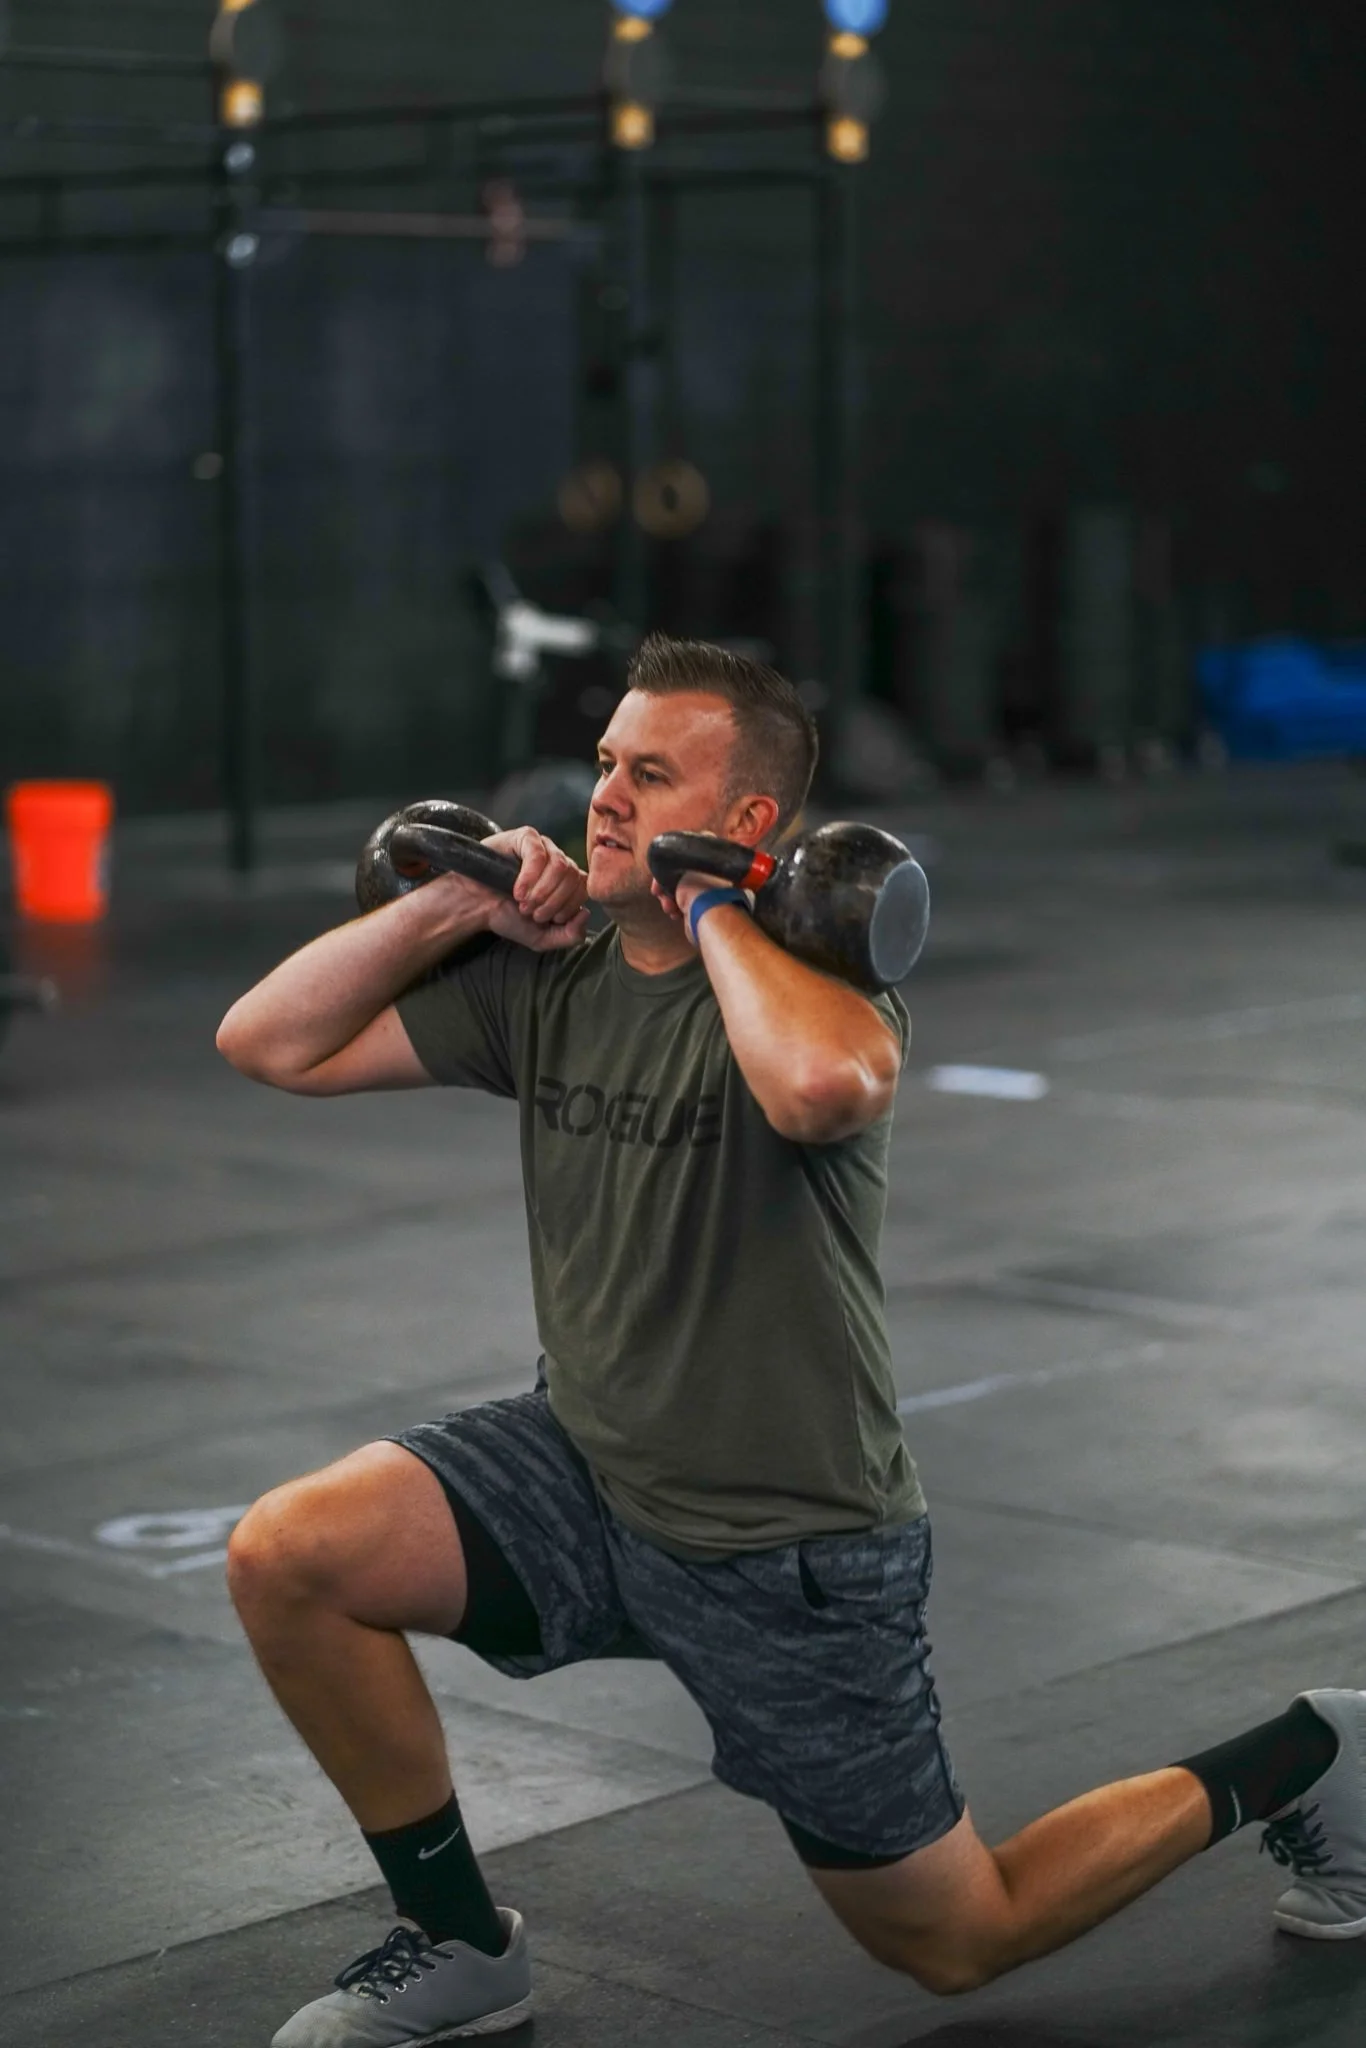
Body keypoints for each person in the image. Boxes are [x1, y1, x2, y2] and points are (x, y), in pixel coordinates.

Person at [218, 635, 1366, 2048]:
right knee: (290, 1555)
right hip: (584, 1466)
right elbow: (268, 1043)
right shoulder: (552, 984)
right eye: (602, 768)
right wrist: (450, 902)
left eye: (651, 775)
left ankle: (1313, 1754)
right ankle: (456, 1942)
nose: (605, 800)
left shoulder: (818, 996)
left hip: (789, 1543)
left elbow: (823, 1090)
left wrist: (710, 912)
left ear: (749, 821)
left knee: (956, 1941)